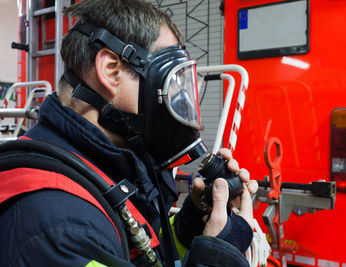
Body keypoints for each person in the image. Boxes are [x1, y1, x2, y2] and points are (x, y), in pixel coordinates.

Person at [0, 0, 258, 266]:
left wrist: (189, 225)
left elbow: (141, 251)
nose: (176, 101)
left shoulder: (96, 169)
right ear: (111, 71)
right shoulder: (56, 228)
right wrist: (218, 258)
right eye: (167, 82)